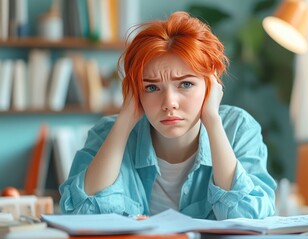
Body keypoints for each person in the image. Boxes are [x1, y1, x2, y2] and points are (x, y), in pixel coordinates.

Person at [59, 11, 276, 220]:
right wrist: (125, 120)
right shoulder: (107, 133)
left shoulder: (238, 129)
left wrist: (212, 120)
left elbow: (248, 215)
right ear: (135, 91)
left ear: (211, 84)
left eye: (186, 84)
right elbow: (80, 214)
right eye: (152, 88)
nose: (169, 103)